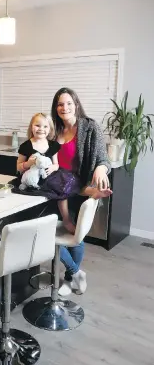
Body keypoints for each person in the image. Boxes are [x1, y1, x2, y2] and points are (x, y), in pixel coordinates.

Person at [50, 87, 112, 296]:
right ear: (55, 108)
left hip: (79, 189)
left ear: (76, 105)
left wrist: (101, 168)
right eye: (60, 104)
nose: (64, 107)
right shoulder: (55, 131)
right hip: (56, 190)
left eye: (68, 103)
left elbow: (103, 157)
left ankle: (69, 278)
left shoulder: (89, 127)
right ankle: (76, 273)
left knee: (75, 234)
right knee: (46, 234)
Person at [17, 112, 81, 234]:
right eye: (37, 125)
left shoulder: (53, 145)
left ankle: (66, 220)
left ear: (50, 129)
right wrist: (27, 164)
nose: (41, 129)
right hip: (32, 178)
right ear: (31, 127)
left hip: (48, 176)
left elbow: (56, 164)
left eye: (45, 127)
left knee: (63, 185)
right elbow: (18, 167)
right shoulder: (25, 146)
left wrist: (53, 168)